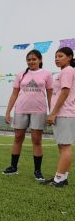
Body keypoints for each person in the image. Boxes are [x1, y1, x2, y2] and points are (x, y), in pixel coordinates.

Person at [2, 50, 53, 179]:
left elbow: (50, 95)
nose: (31, 61)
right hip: (21, 109)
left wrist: (52, 113)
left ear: (40, 60)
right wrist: (8, 111)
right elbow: (14, 94)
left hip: (39, 110)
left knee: (37, 140)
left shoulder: (46, 74)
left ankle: (37, 171)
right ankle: (13, 167)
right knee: (18, 138)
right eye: (29, 59)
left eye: (34, 59)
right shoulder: (21, 75)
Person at [41, 47, 75, 187]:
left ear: (70, 57)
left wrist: (53, 113)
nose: (57, 58)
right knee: (63, 147)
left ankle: (59, 179)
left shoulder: (67, 71)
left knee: (65, 147)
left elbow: (65, 93)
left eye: (60, 56)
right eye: (55, 56)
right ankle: (61, 177)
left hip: (64, 114)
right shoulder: (65, 71)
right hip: (64, 113)